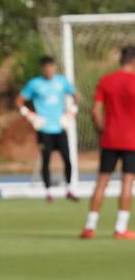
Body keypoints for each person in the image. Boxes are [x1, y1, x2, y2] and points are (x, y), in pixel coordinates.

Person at [81, 45, 135, 240]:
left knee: (102, 182)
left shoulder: (106, 80)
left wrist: (101, 130)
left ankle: (89, 227)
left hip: (109, 139)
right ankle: (120, 228)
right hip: (131, 140)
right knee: (127, 183)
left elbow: (95, 111)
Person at [16, 55, 78, 202]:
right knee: (46, 160)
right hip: (44, 129)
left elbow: (76, 97)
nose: (50, 70)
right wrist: (30, 115)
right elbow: (18, 101)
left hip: (60, 127)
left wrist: (71, 113)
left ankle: (69, 189)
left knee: (67, 159)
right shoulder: (34, 84)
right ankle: (48, 192)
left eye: (52, 67)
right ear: (42, 69)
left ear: (54, 67)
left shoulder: (62, 81)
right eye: (47, 68)